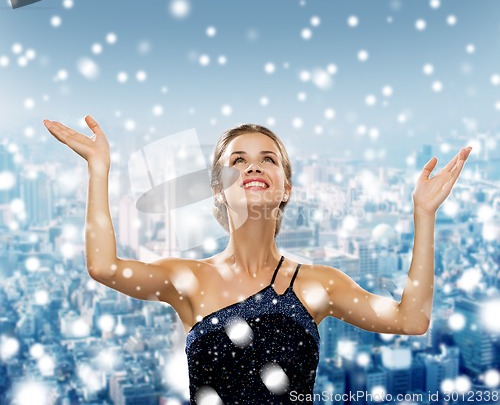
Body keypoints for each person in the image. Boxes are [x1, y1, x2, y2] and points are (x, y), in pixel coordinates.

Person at [43, 115, 471, 404]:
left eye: (268, 159)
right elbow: (103, 266)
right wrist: (98, 169)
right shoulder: (187, 279)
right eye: (237, 161)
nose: (253, 167)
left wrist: (424, 214)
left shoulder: (317, 284)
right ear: (217, 188)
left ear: (285, 187)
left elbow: (411, 320)